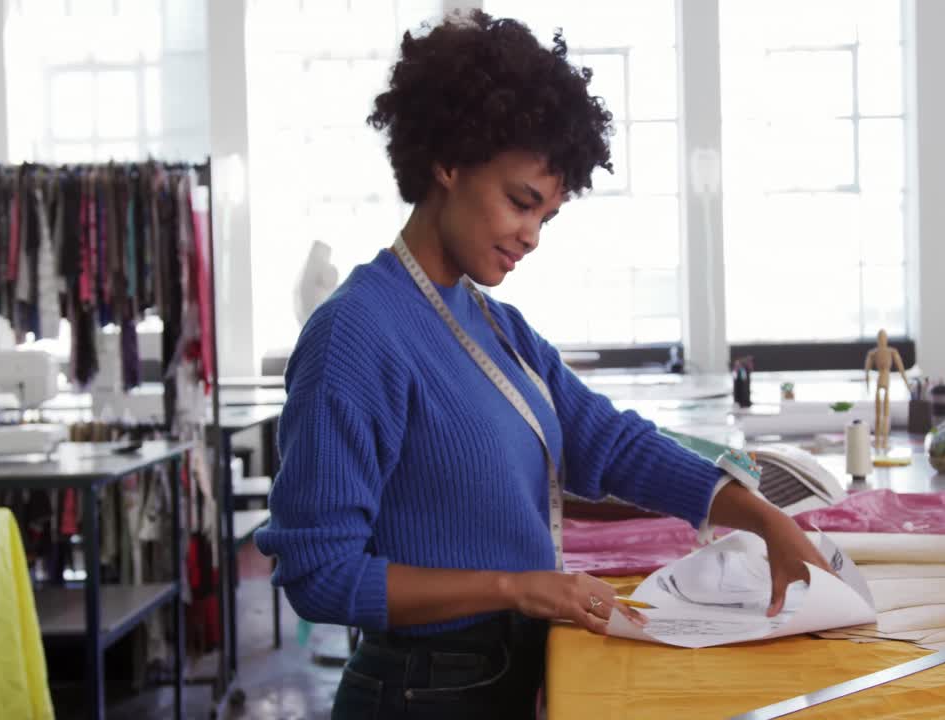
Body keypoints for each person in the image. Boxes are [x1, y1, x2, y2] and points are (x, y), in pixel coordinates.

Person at [255, 11, 831, 719]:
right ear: (449, 160)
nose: (530, 236)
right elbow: (319, 573)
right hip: (418, 692)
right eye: (520, 202)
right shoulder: (355, 333)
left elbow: (610, 444)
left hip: (497, 674)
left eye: (546, 217)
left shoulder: (496, 325)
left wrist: (759, 515)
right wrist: (516, 587)